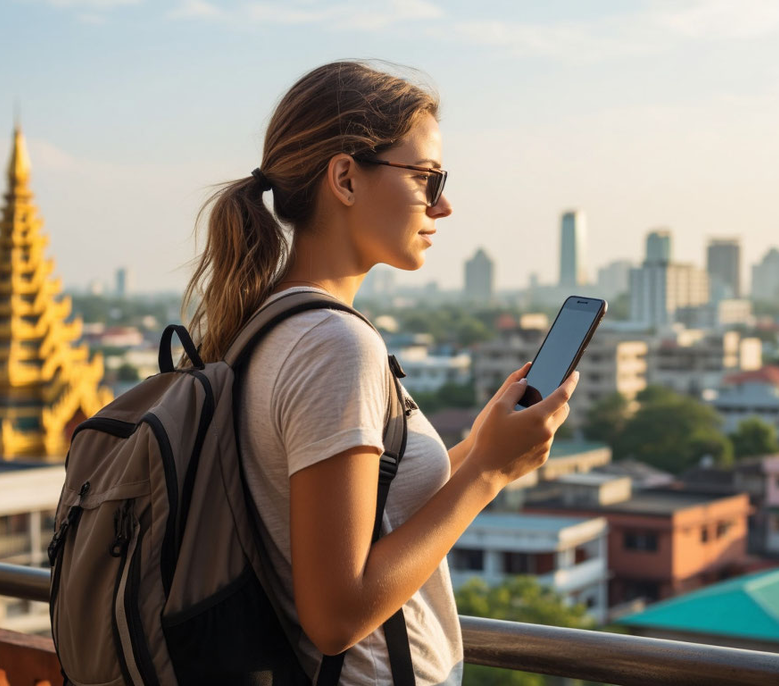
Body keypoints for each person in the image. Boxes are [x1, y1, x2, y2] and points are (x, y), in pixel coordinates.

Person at [181, 60, 579, 685]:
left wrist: (477, 444)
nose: (443, 205)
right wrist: (487, 473)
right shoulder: (333, 344)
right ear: (345, 178)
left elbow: (363, 515)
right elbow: (335, 615)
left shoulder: (264, 328)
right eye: (427, 177)